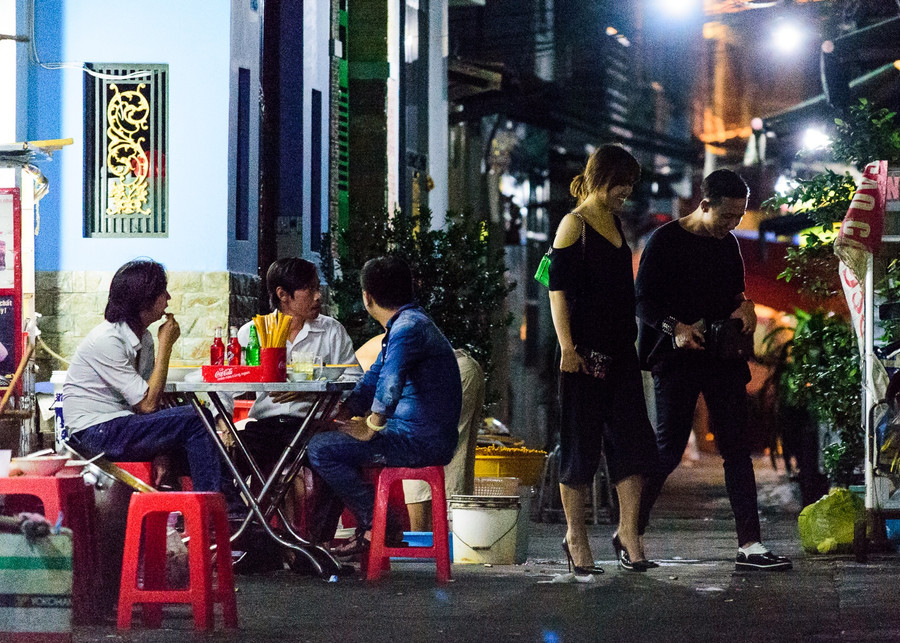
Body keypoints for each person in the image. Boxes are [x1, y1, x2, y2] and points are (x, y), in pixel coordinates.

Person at [634, 169, 792, 571]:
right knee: (668, 448)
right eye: (726, 217)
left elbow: (737, 294)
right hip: (677, 358)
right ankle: (630, 529)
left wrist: (746, 308)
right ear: (703, 205)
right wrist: (679, 329)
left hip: (722, 357)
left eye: (739, 217)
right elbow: (643, 302)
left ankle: (750, 545)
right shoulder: (665, 241)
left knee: (736, 448)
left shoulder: (729, 246)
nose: (732, 225)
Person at [547, 144, 659, 574]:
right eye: (621, 182)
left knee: (634, 446)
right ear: (600, 177)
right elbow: (557, 293)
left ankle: (628, 533)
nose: (626, 191)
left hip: (621, 354)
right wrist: (567, 348)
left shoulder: (615, 222)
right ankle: (576, 537)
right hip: (584, 357)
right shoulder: (573, 226)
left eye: (630, 184)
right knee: (581, 448)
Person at [306, 255, 462, 556]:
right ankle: (328, 541)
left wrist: (371, 426)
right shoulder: (406, 325)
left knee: (321, 450)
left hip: (419, 442)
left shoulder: (407, 329)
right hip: (417, 435)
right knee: (328, 443)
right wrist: (343, 414)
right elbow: (373, 378)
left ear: (367, 297)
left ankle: (381, 524)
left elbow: (390, 383)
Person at [62, 259, 242, 512]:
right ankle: (218, 513)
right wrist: (167, 345)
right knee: (194, 418)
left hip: (122, 426)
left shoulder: (143, 338)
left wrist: (162, 451)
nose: (168, 298)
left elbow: (150, 401)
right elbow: (147, 403)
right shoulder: (107, 340)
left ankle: (220, 514)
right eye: (162, 292)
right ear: (144, 300)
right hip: (94, 433)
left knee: (203, 444)